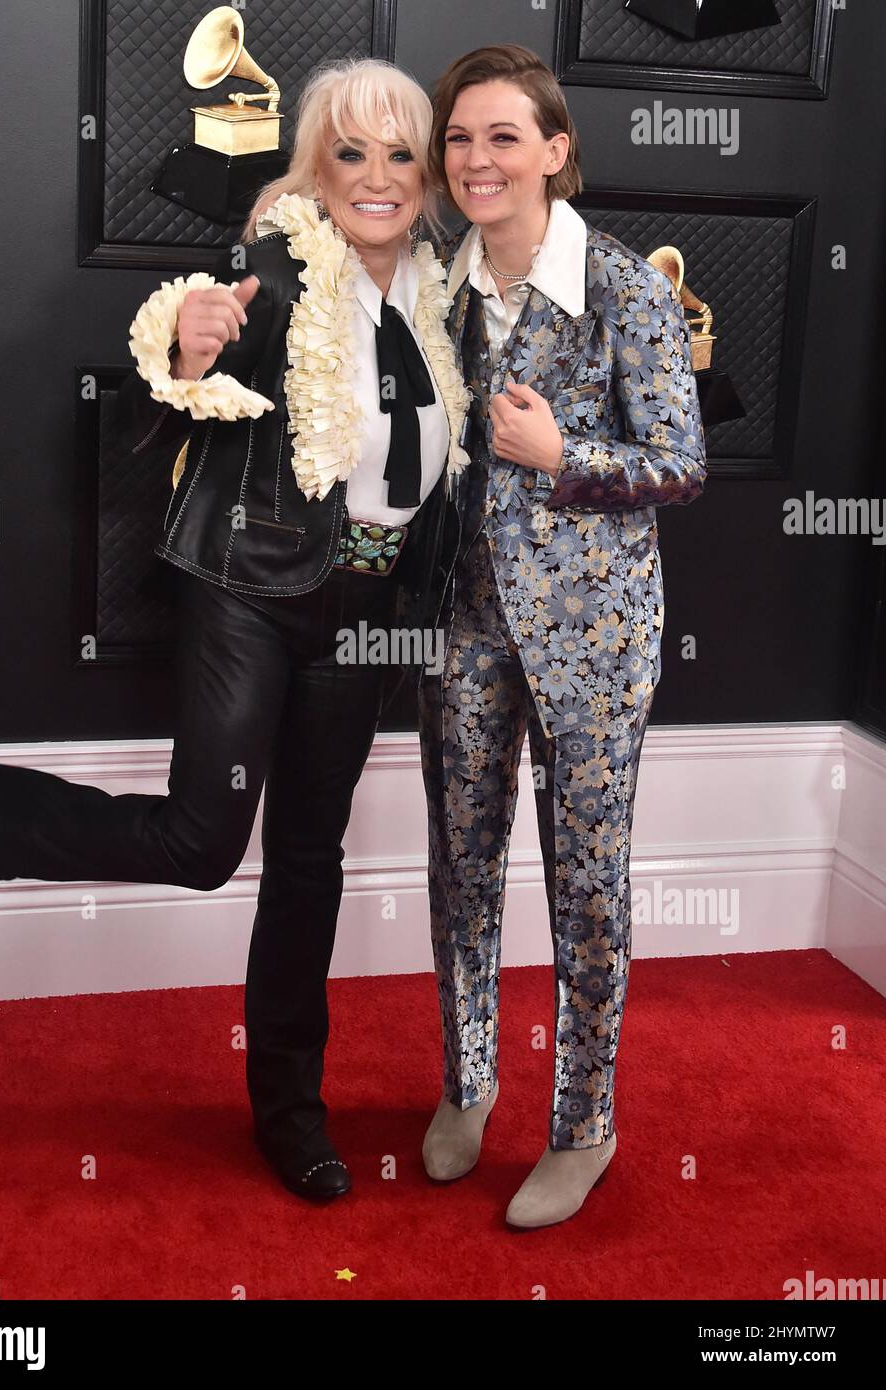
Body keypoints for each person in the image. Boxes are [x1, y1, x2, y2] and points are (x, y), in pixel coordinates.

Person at [0, 57, 469, 1202]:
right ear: (313, 169)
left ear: (426, 173)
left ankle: (288, 1111)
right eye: (347, 153)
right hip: (252, 586)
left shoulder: (440, 288)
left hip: (369, 611)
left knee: (310, 861)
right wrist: (186, 347)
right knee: (204, 843)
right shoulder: (277, 264)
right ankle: (1, 825)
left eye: (398, 154)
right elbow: (156, 406)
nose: (375, 177)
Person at [418, 44, 707, 1228]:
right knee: (459, 867)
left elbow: (681, 465)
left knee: (587, 886)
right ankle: (465, 1079)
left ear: (553, 151)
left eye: (500, 137)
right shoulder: (439, 283)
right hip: (466, 629)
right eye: (458, 139)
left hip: (592, 640)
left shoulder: (627, 288)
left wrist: (562, 458)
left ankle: (582, 1123)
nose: (476, 159)